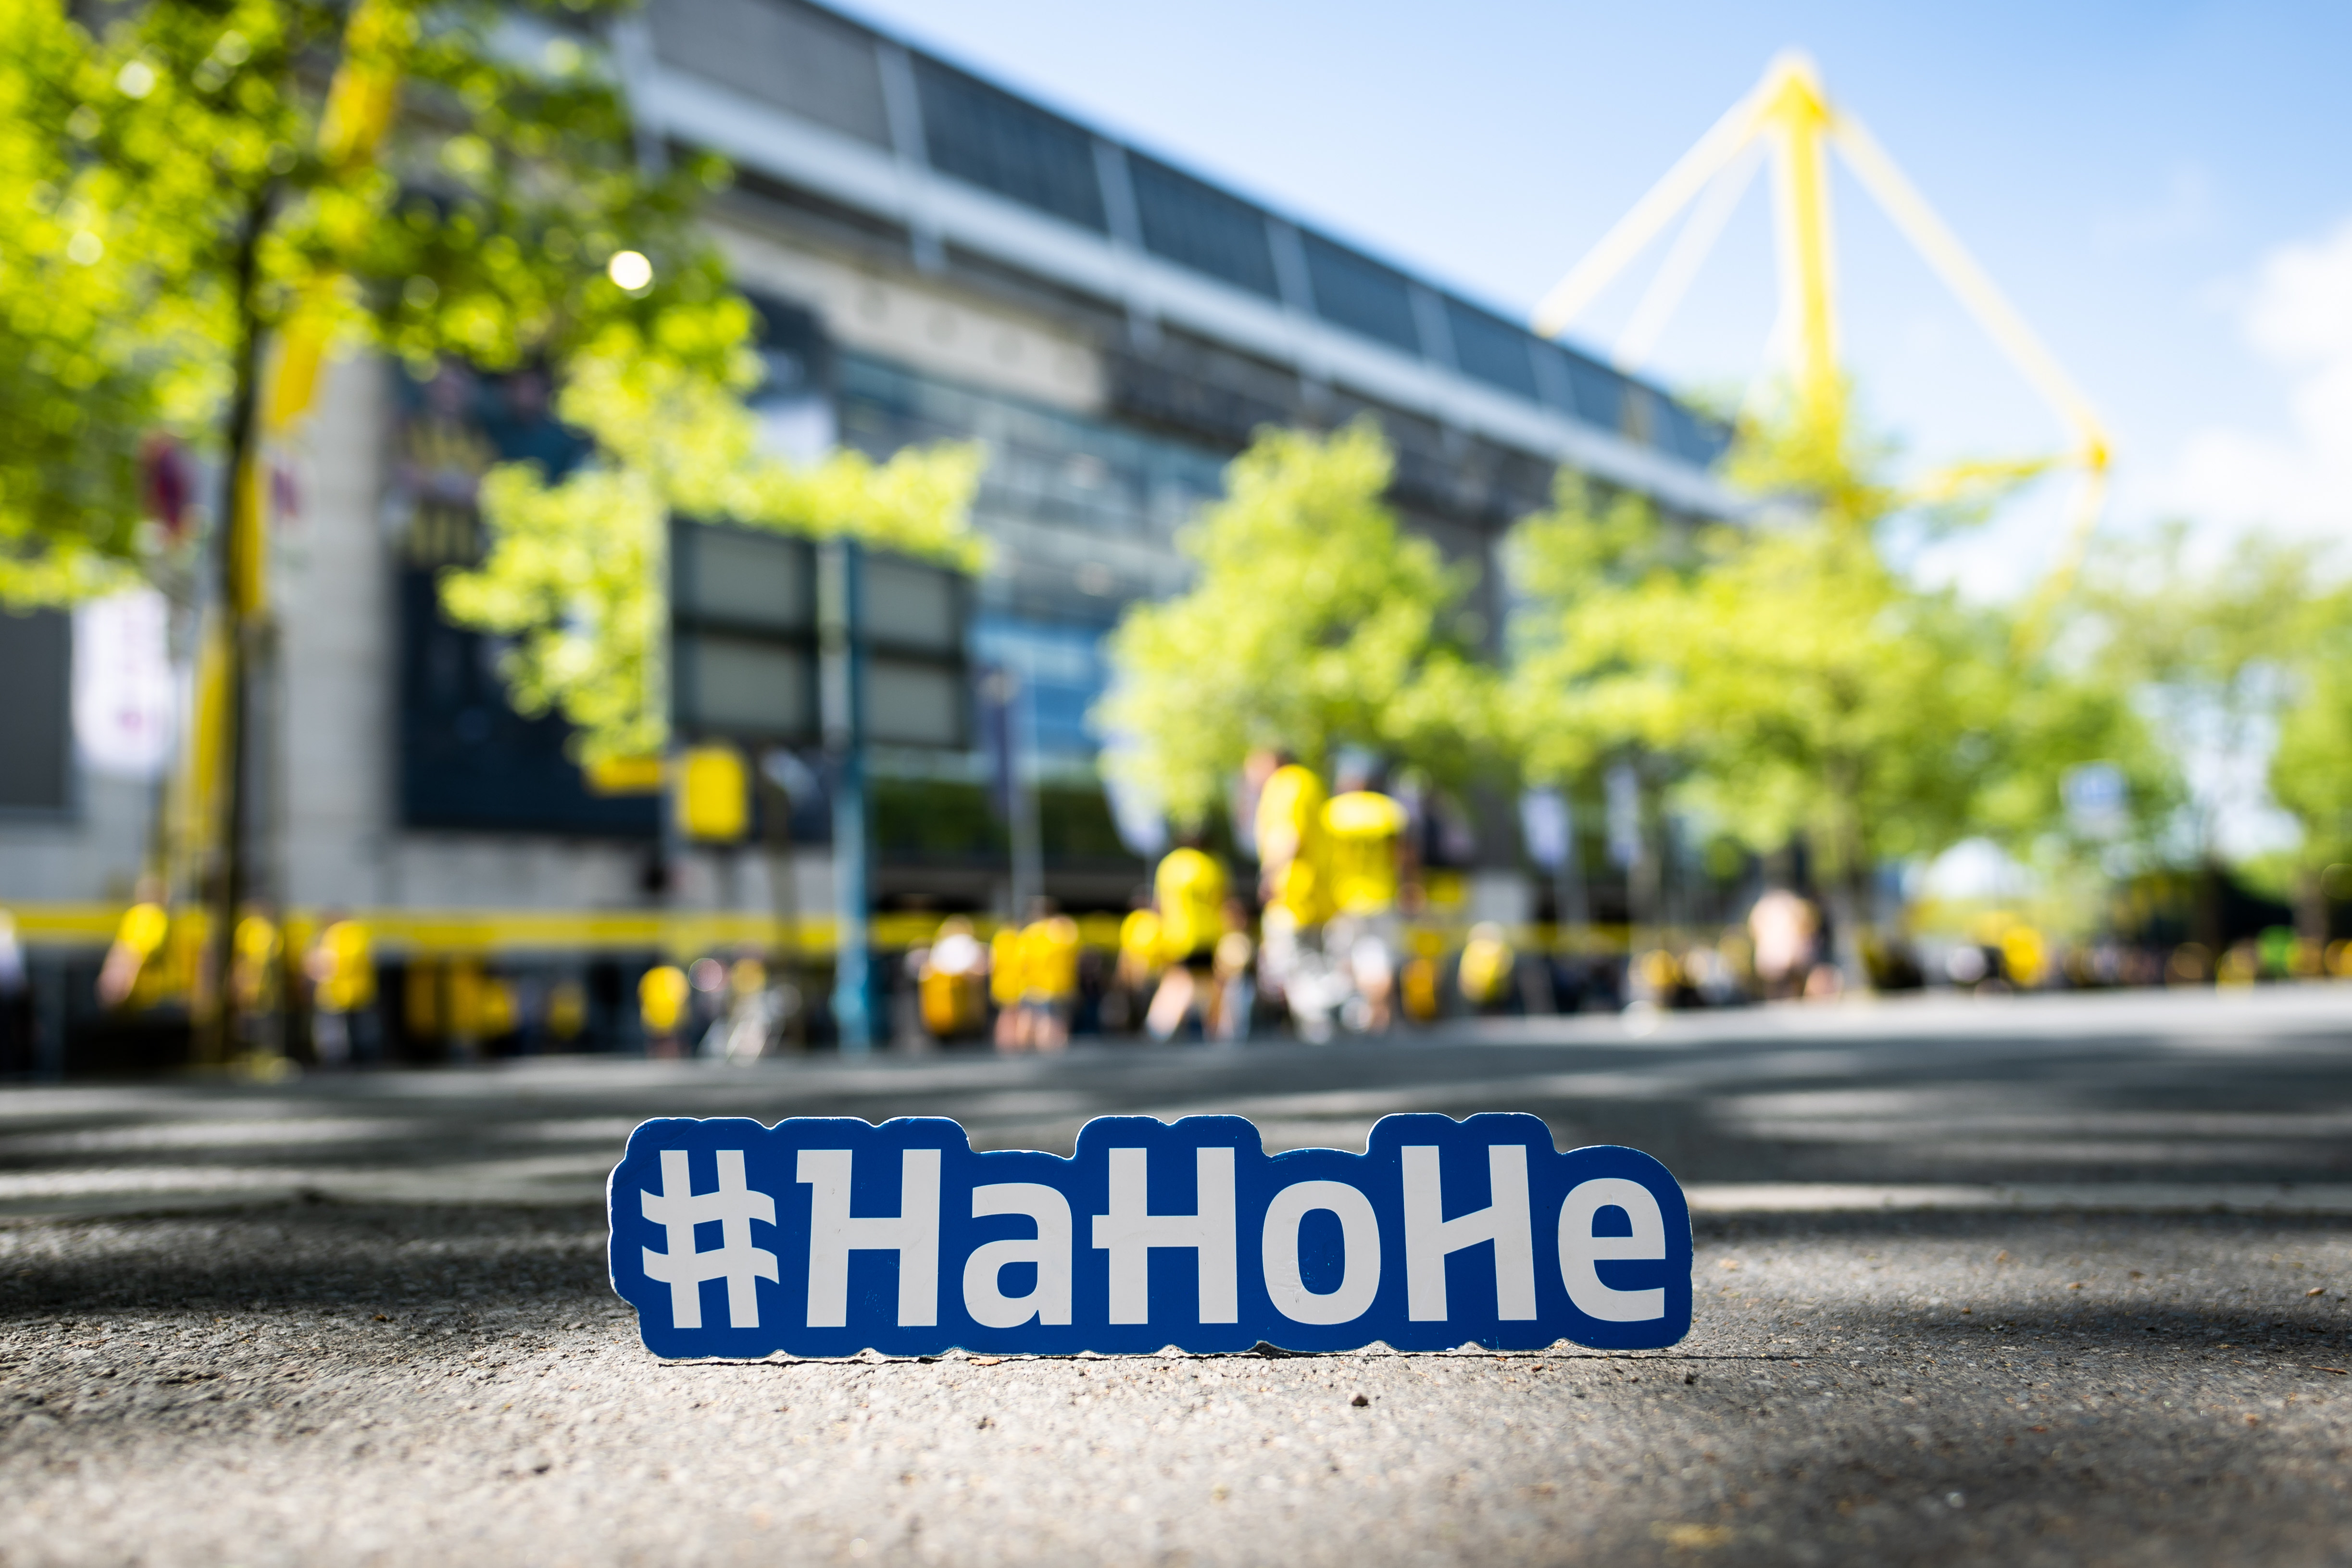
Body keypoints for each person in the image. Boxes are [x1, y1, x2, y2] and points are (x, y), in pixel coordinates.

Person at [1321, 782, 1410, 1032]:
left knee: (1346, 959)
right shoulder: (1387, 811)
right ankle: (1379, 1012)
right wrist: (1410, 885)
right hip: (1382, 896)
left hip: (1343, 898)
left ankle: (1360, 1010)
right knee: (1380, 960)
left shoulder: (1332, 812)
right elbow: (1404, 853)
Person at [1145, 839, 1226, 1042]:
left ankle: (1161, 1029)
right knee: (1199, 982)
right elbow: (1223, 900)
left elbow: (1158, 905)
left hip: (1175, 935)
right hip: (1206, 934)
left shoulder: (1169, 865)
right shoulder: (1211, 864)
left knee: (1181, 978)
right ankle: (1165, 1028)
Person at [304, 914, 375, 1067]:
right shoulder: (358, 934)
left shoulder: (329, 937)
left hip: (332, 992)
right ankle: (362, 1061)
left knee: (333, 1032)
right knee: (359, 1030)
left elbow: (316, 965)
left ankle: (335, 1062)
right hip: (359, 992)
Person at [1014, 902, 1081, 1052]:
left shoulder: (1029, 933)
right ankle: (1049, 1048)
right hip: (1055, 984)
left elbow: (1021, 961)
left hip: (1030, 983)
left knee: (1029, 1016)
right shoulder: (1060, 932)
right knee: (1051, 1018)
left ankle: (1020, 1048)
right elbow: (1073, 953)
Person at [918, 916, 988, 1041]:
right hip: (964, 988)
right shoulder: (966, 941)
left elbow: (934, 964)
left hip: (945, 989)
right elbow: (976, 965)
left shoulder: (943, 943)